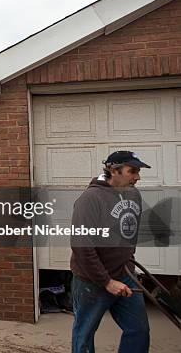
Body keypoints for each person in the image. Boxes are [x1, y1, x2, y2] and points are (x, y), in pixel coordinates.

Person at [71, 151, 151, 352]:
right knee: (85, 335)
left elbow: (129, 234)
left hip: (125, 274)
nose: (137, 177)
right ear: (113, 170)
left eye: (138, 171)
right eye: (132, 171)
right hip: (92, 280)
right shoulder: (90, 199)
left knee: (138, 329)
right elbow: (82, 245)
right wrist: (106, 281)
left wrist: (129, 265)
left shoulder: (133, 194)